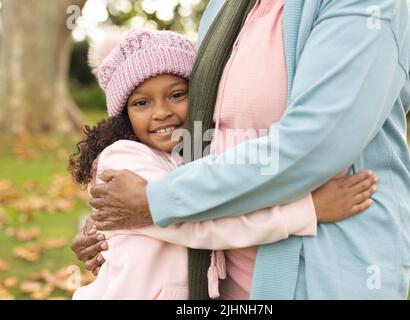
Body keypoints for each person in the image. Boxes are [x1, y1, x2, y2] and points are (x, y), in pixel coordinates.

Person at [69, 28, 377, 299]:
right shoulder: (124, 158)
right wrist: (306, 212)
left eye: (176, 95)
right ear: (124, 113)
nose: (161, 112)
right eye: (141, 102)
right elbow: (194, 224)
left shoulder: (191, 154)